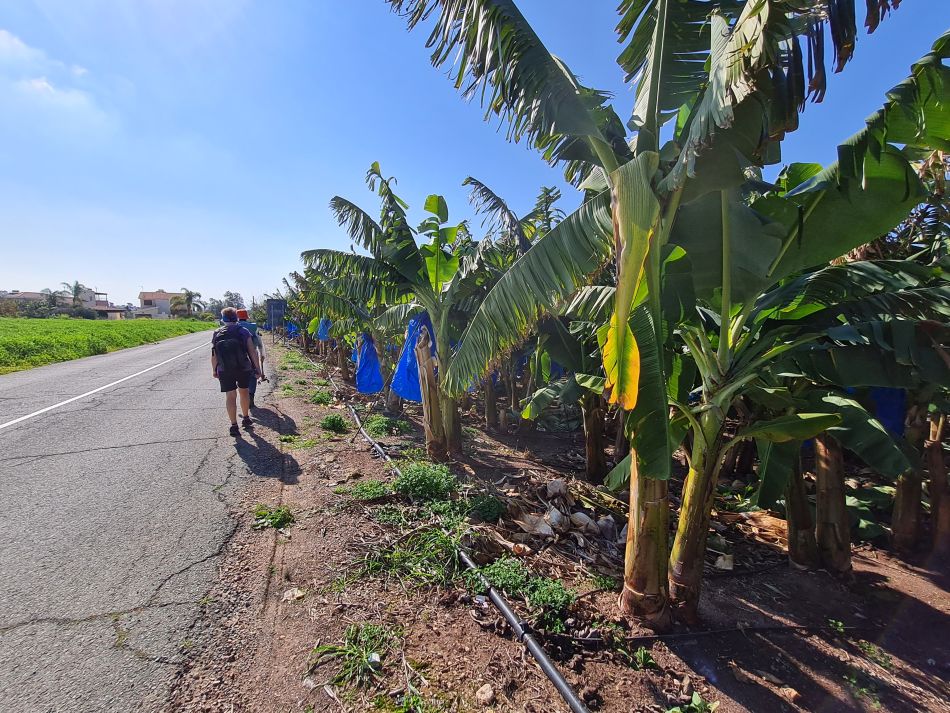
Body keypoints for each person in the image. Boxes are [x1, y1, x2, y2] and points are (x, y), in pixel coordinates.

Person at [211, 307, 263, 436]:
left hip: (224, 369)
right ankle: (246, 418)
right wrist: (258, 369)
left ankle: (234, 425)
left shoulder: (217, 332)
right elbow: (252, 351)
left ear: (223, 319)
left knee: (230, 396)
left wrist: (214, 370)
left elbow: (214, 354)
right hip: (243, 367)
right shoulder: (243, 331)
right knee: (244, 392)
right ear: (236, 318)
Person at [236, 308, 266, 408]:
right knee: (253, 376)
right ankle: (251, 397)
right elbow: (259, 341)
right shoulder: (253, 327)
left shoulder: (232, 328)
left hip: (236, 357)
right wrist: (262, 354)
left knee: (239, 378)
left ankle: (243, 399)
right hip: (251, 355)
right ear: (246, 317)